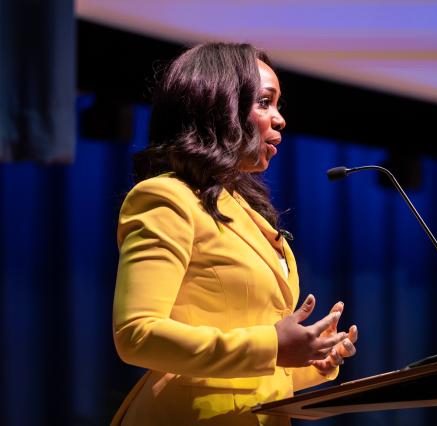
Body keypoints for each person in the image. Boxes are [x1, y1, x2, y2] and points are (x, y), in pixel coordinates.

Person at [110, 42, 358, 426]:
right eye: (264, 102)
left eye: (279, 105)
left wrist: (311, 357)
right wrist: (273, 345)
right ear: (218, 106)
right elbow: (137, 334)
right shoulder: (165, 197)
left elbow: (255, 362)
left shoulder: (246, 209)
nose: (280, 119)